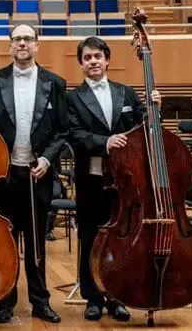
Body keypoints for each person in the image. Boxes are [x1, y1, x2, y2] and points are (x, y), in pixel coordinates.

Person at [0, 23, 66, 324]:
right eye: (17, 38)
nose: (22, 43)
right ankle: (4, 301)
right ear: (10, 45)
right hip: (3, 175)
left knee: (36, 244)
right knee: (4, 242)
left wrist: (47, 159)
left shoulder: (55, 83)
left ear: (36, 45)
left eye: (28, 38)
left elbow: (62, 130)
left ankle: (40, 302)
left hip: (37, 174)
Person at [66, 36, 161, 322]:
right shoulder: (72, 98)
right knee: (90, 237)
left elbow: (146, 127)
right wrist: (104, 142)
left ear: (107, 60)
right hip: (92, 177)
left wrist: (156, 108)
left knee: (124, 238)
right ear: (81, 64)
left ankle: (118, 296)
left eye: (98, 56)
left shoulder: (127, 93)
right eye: (87, 58)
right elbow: (74, 133)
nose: (93, 61)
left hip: (126, 179)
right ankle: (92, 298)